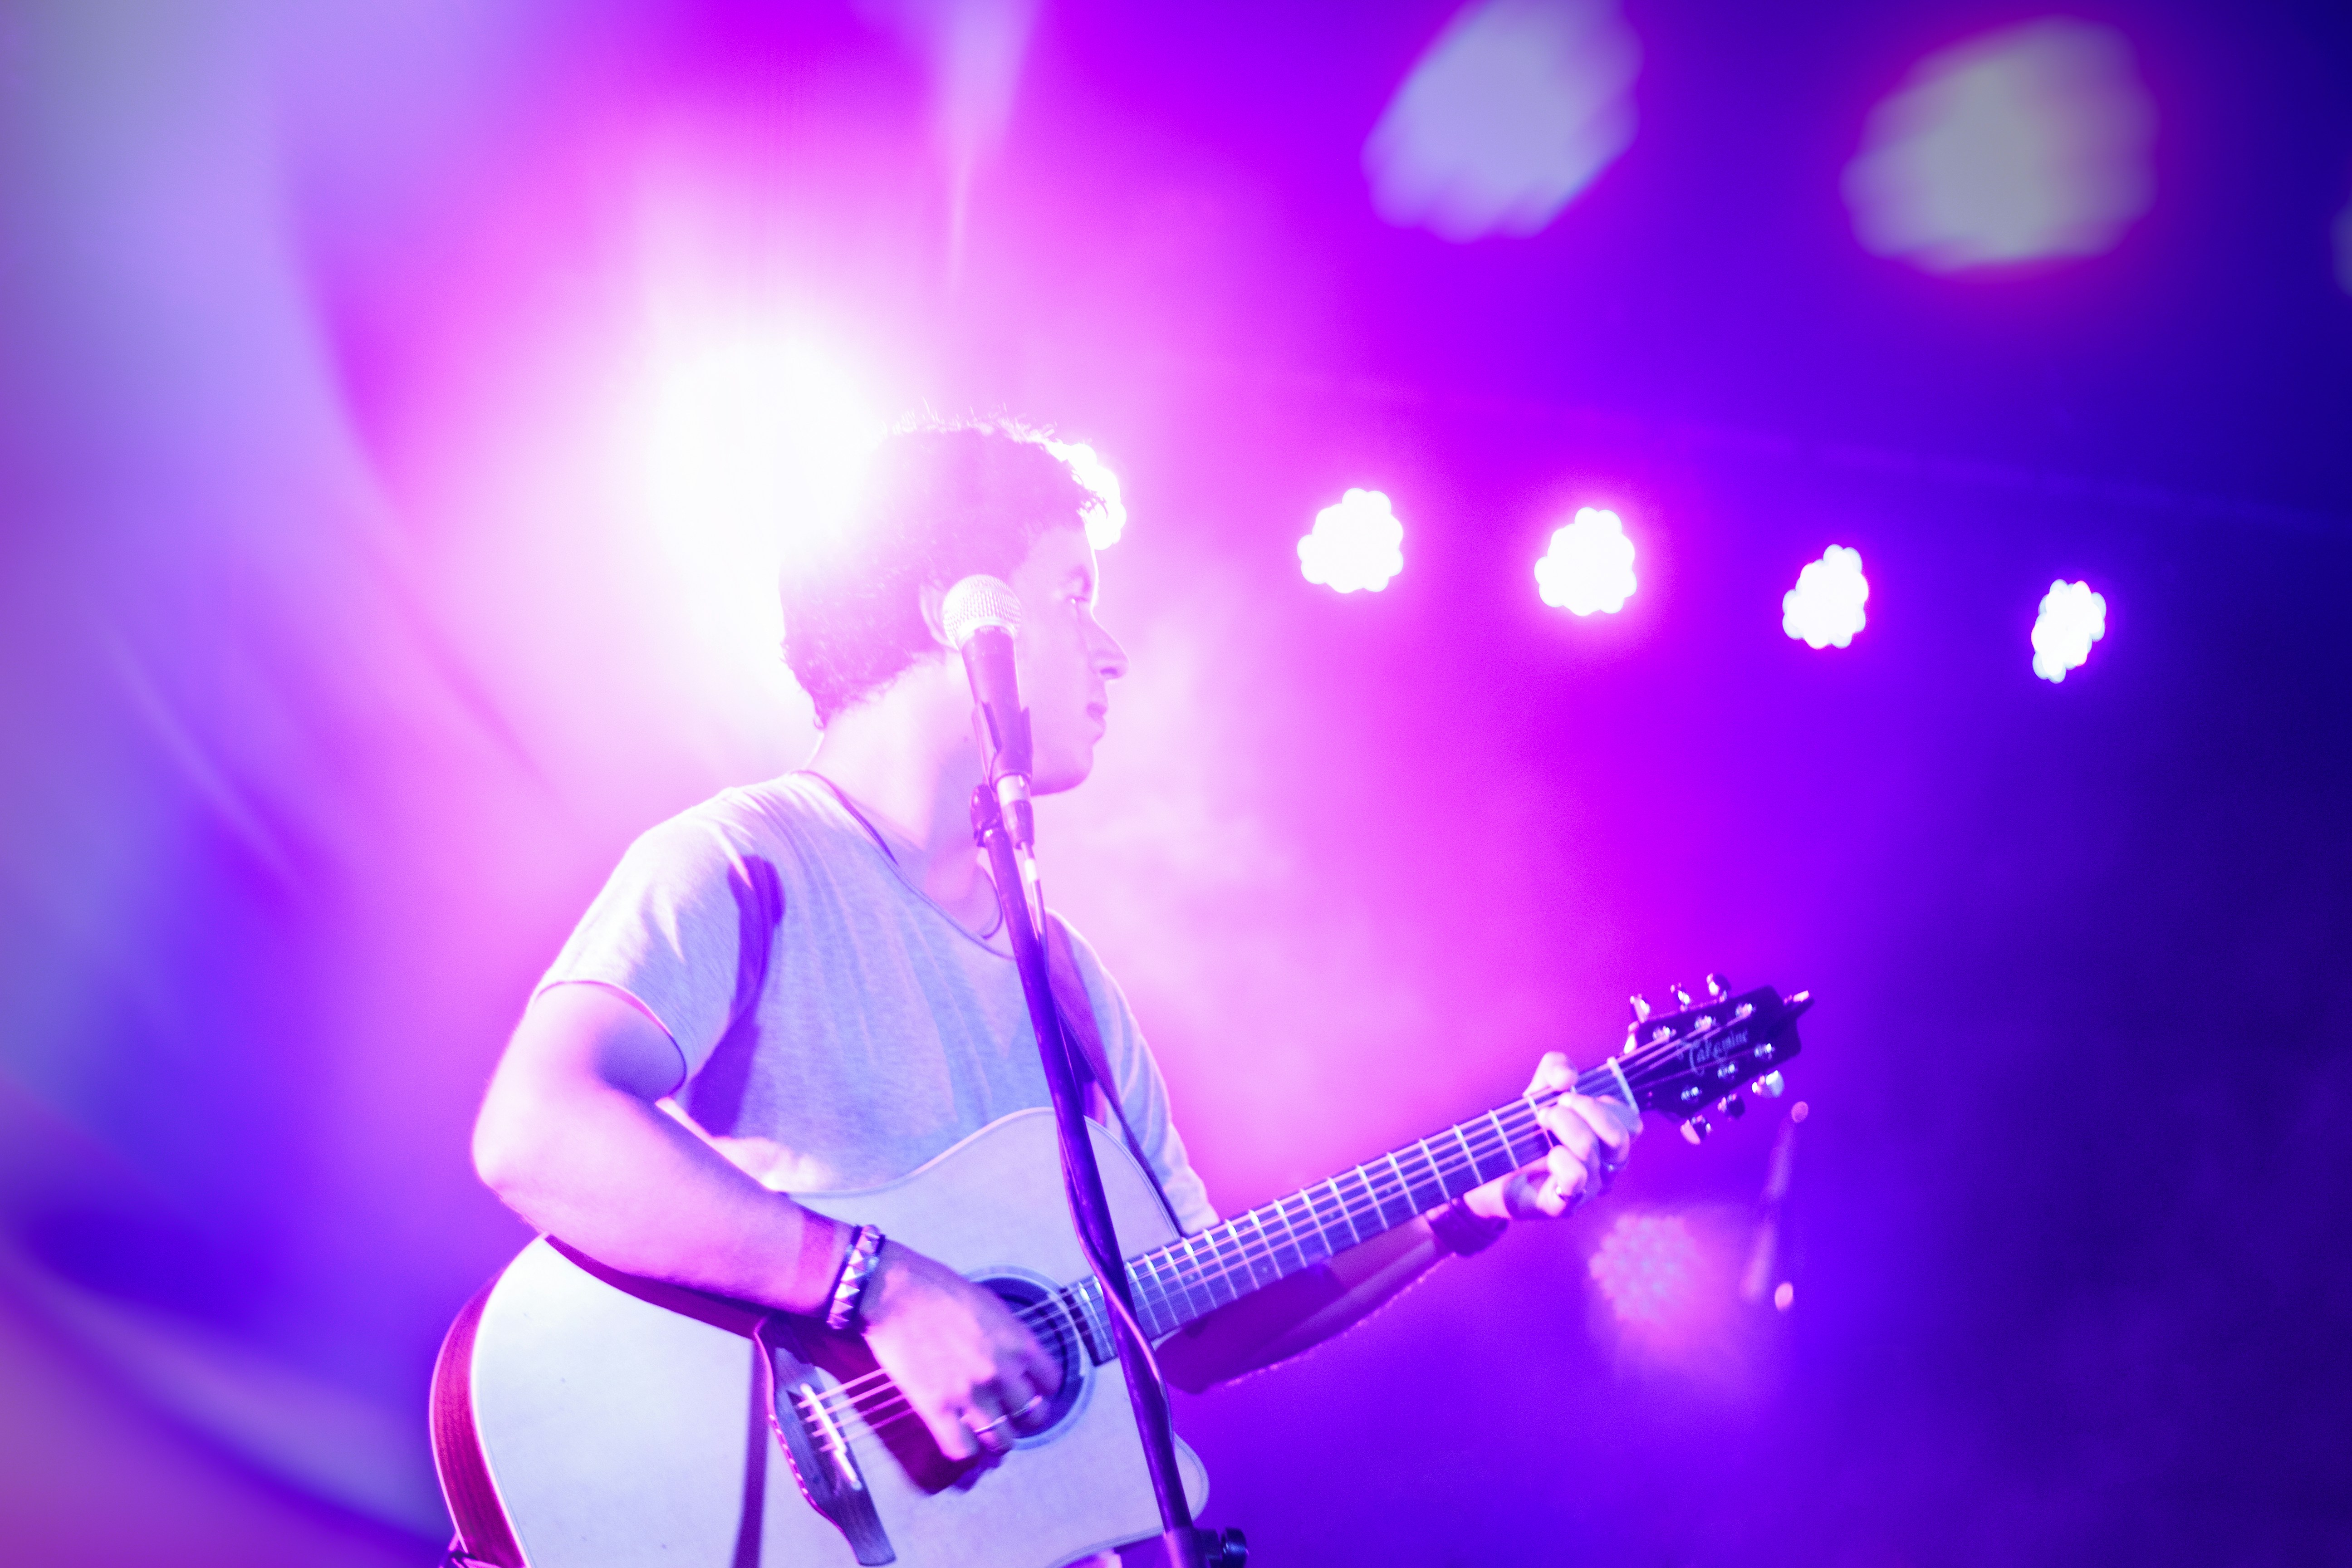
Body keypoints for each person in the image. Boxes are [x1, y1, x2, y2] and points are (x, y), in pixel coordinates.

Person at [470, 420, 1638, 1477]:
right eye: (1074, 593)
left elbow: (1191, 1321)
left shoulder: (1070, 982)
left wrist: (1462, 1205)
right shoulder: (743, 859)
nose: (1111, 650)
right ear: (961, 611)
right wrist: (878, 1287)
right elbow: (534, 1127)